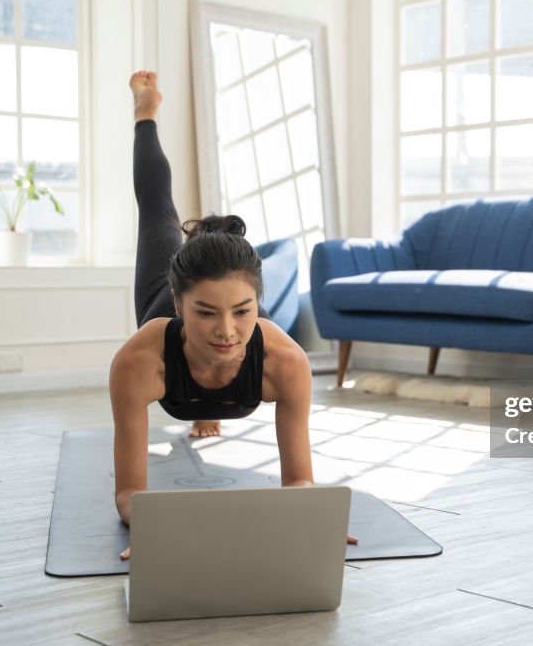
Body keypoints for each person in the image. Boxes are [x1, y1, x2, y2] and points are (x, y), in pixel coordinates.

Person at [111, 72, 354, 559]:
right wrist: (154, 525)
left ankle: (207, 406)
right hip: (169, 315)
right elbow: (127, 495)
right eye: (204, 313)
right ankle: (145, 111)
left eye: (243, 312)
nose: (226, 330)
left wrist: (309, 515)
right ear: (180, 307)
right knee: (156, 207)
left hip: (239, 358)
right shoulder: (139, 362)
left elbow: (299, 479)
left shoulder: (284, 361)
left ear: (257, 304)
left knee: (237, 336)